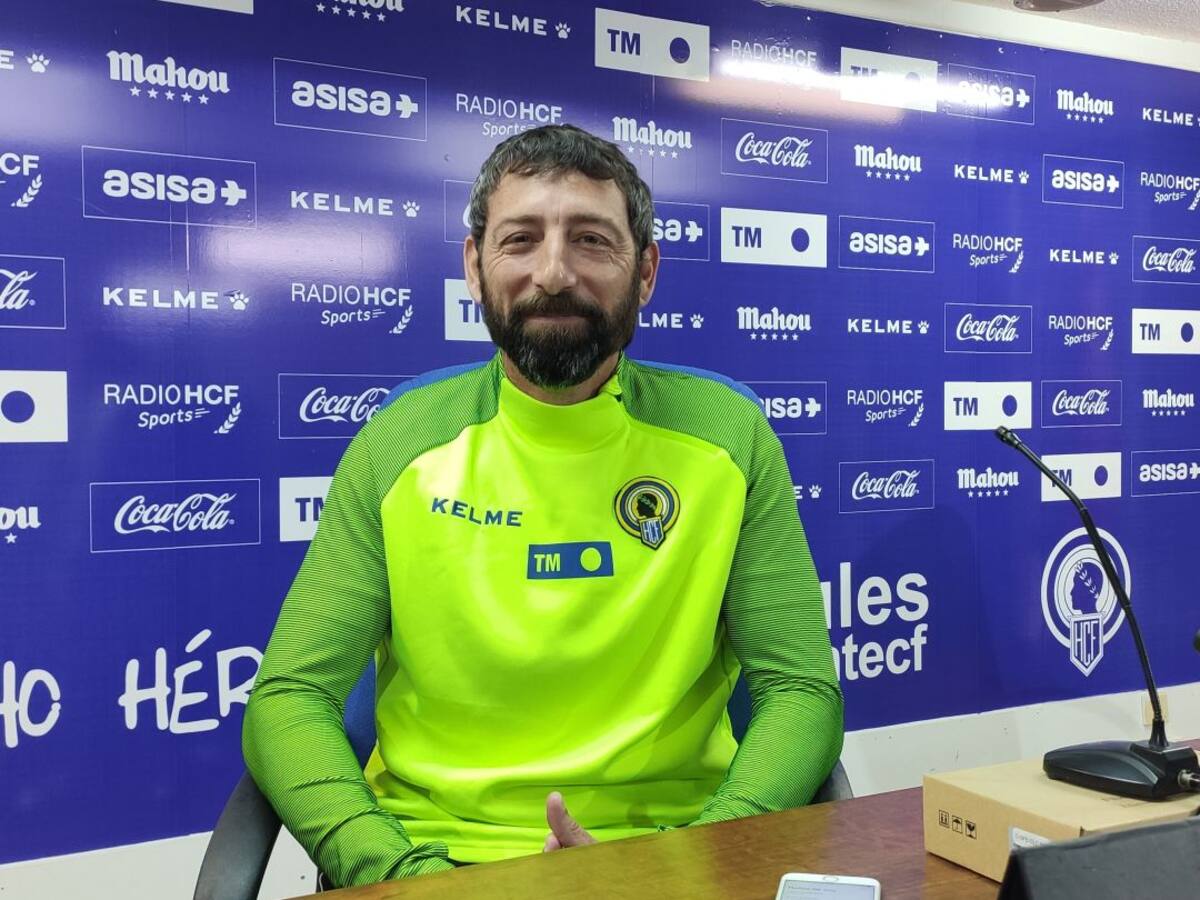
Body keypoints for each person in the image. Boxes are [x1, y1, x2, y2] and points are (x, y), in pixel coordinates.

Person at [243, 123, 843, 889]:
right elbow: (290, 700)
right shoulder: (397, 444)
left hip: (673, 858)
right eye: (520, 239)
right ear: (474, 266)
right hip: (433, 862)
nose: (554, 273)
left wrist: (689, 861)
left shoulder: (730, 436)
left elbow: (800, 692)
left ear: (646, 271)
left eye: (591, 240)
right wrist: (397, 870)